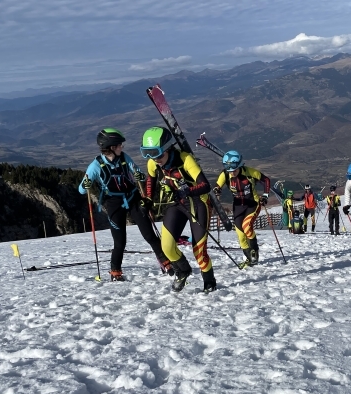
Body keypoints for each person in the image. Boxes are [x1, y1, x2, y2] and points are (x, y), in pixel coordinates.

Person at [78, 128, 171, 282]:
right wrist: (86, 184)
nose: (122, 147)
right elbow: (82, 190)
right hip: (114, 203)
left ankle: (166, 262)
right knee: (120, 241)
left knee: (149, 234)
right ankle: (115, 271)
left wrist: (138, 175)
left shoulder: (124, 158)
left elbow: (138, 172)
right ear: (112, 147)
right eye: (120, 145)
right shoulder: (95, 166)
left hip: (133, 197)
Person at [140, 126, 218, 293]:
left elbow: (205, 185)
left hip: (198, 202)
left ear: (167, 147)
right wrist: (147, 200)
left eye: (157, 153)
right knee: (166, 246)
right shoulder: (153, 162)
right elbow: (150, 181)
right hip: (178, 203)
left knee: (199, 250)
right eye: (147, 153)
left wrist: (187, 191)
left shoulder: (185, 159)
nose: (154, 158)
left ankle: (209, 282)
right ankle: (182, 270)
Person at [214, 150, 270, 266]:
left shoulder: (249, 172)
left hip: (252, 204)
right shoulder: (225, 174)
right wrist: (217, 190)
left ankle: (254, 251)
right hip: (238, 206)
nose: (232, 173)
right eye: (229, 170)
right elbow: (217, 186)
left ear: (239, 165)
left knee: (247, 227)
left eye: (234, 170)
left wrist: (265, 195)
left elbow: (266, 180)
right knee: (240, 235)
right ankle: (249, 257)